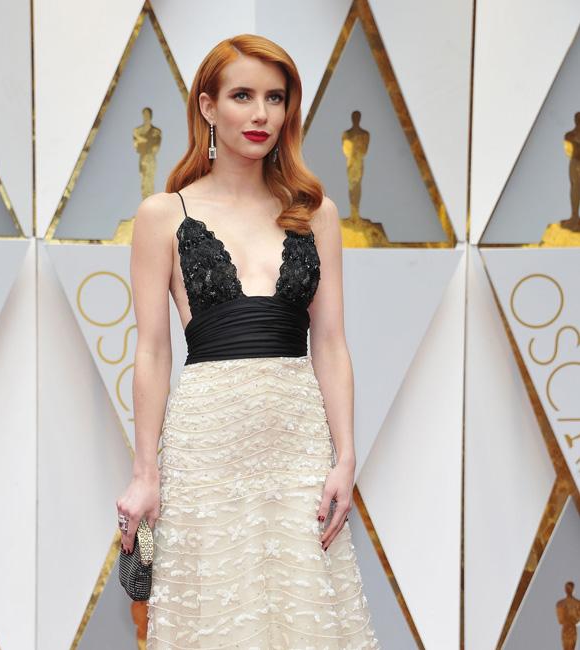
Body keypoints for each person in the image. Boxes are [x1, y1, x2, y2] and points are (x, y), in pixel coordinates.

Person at [116, 33, 380, 649]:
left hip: (298, 444)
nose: (260, 113)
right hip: (207, 443)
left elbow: (331, 343)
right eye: (242, 96)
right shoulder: (163, 215)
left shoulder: (316, 213)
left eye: (274, 98)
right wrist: (145, 472)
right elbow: (152, 351)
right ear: (208, 107)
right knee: (216, 616)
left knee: (306, 615)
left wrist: (344, 458)